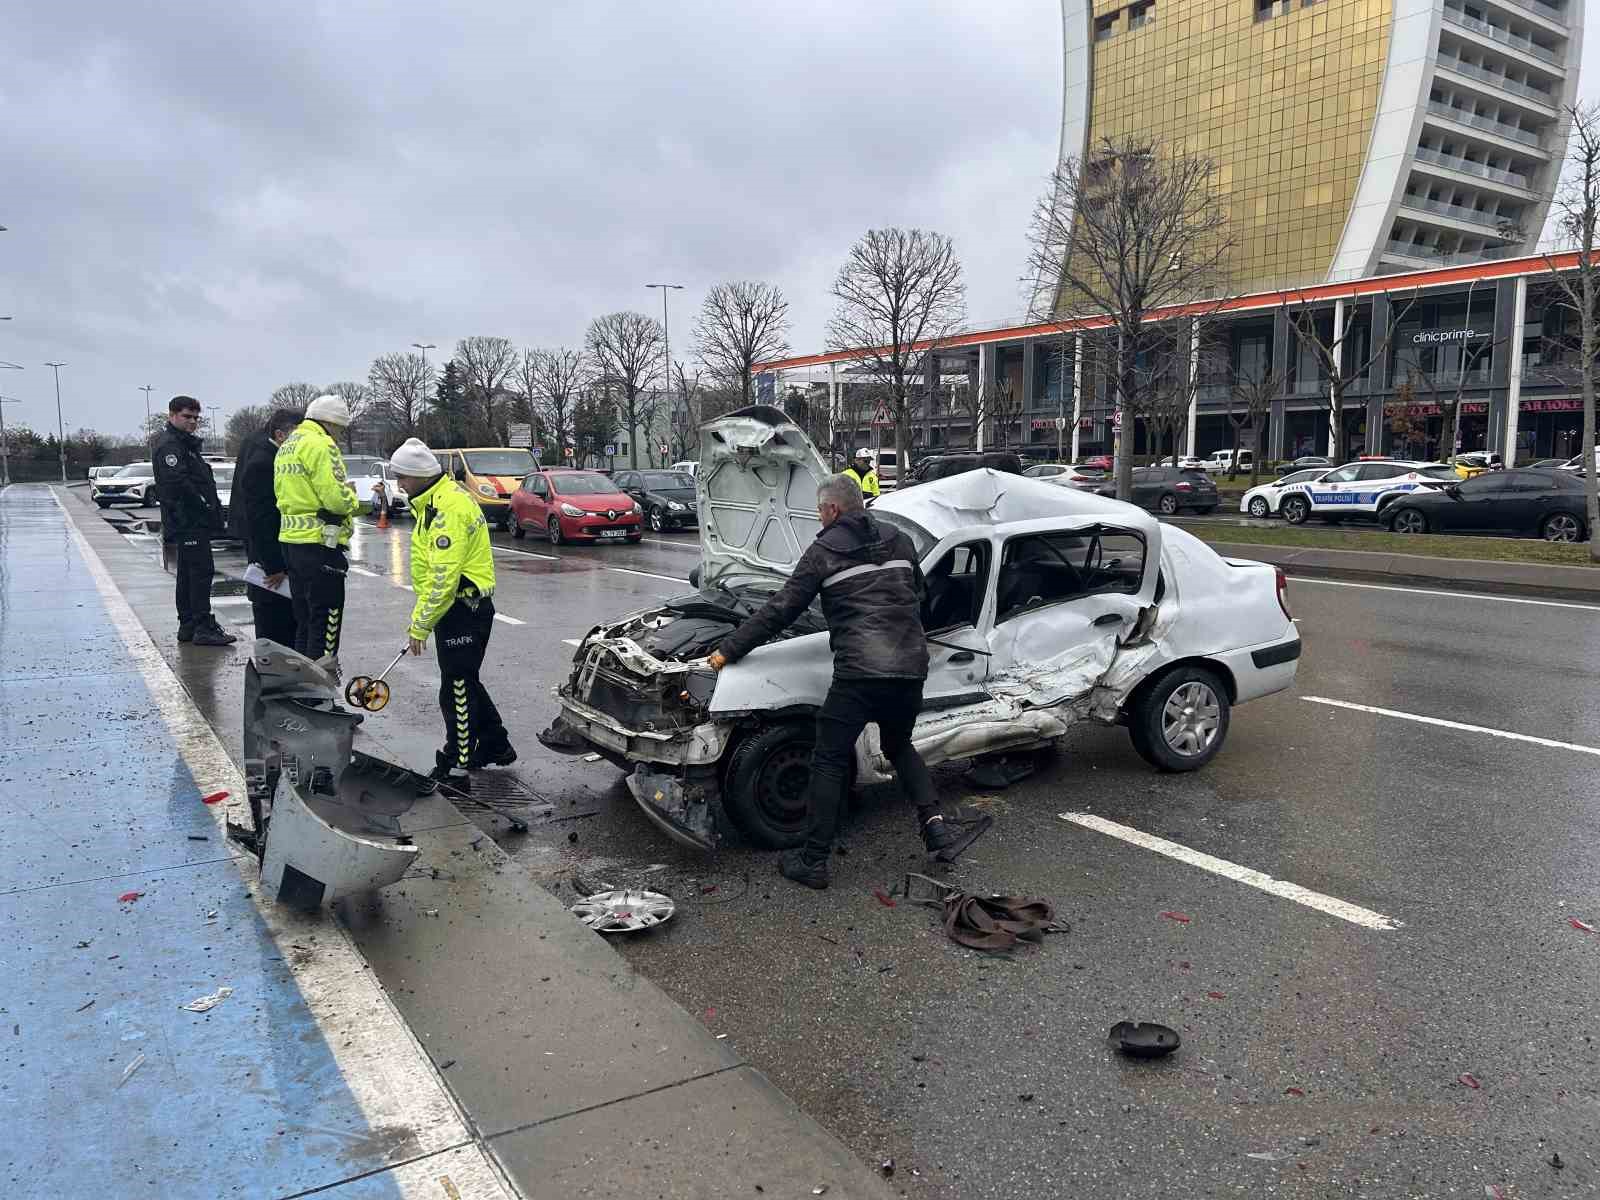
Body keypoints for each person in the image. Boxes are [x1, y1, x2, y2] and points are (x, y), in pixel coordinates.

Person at [708, 472, 987, 889]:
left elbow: (781, 610)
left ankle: (814, 860)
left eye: (820, 512)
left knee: (829, 758)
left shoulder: (824, 550)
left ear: (833, 510)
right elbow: (920, 598)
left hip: (860, 673)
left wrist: (727, 650)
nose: (820, 520)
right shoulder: (899, 539)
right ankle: (937, 830)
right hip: (910, 667)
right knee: (898, 745)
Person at [388, 437, 515, 795]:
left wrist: (420, 625)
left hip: (463, 607)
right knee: (465, 678)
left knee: (455, 686)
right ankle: (495, 744)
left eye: (403, 477)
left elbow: (444, 578)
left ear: (418, 475)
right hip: (459, 606)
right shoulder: (434, 502)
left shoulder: (446, 509)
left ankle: (457, 763)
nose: (399, 484)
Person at [274, 394, 361, 674]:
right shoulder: (322, 445)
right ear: (331, 423)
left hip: (292, 542)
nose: (338, 435)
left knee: (305, 620)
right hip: (321, 543)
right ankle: (319, 697)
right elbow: (335, 499)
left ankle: (299, 689)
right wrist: (353, 498)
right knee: (326, 623)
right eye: (339, 428)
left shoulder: (289, 444)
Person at [152, 395, 236, 647]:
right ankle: (201, 625)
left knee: (189, 573)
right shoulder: (171, 446)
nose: (192, 422)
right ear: (172, 415)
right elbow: (178, 483)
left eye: (195, 418)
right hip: (188, 519)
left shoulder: (183, 444)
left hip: (189, 519)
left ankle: (188, 624)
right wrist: (205, 504)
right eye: (187, 416)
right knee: (199, 572)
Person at [229, 408, 301, 647]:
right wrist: (275, 566)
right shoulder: (265, 461)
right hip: (269, 565)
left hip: (266, 554)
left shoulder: (258, 445)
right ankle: (275, 678)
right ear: (281, 434)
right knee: (274, 628)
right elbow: (261, 519)